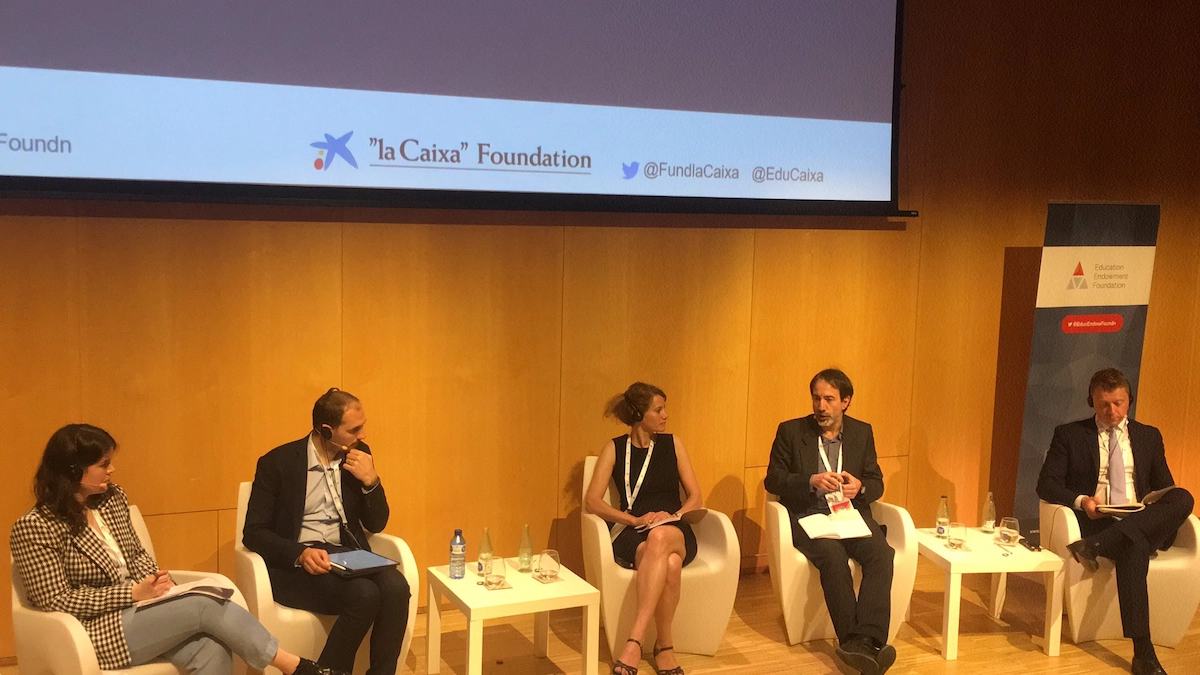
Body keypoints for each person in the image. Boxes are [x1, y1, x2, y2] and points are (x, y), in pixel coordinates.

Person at [10, 423, 342, 675]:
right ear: (73, 472)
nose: (111, 470)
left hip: (143, 611)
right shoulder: (35, 527)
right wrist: (132, 593)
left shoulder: (111, 499)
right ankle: (295, 667)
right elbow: (55, 599)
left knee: (211, 647)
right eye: (103, 464)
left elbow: (136, 554)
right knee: (203, 605)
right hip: (93, 630)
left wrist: (156, 585)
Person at [243, 388, 411, 675]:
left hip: (346, 555)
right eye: (354, 430)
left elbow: (376, 524)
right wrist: (300, 553)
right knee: (364, 594)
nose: (363, 435)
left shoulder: (358, 456)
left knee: (396, 587)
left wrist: (371, 481)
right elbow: (254, 532)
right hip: (297, 565)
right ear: (326, 430)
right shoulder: (278, 463)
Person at [1037, 368, 1194, 675]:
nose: (1112, 411)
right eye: (1103, 404)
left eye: (1118, 403)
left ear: (1129, 400)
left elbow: (1165, 486)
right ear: (1091, 402)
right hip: (1100, 520)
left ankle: (1094, 546)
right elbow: (1046, 485)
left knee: (1183, 497)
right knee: (1133, 546)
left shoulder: (1149, 436)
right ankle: (1143, 653)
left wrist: (1150, 505)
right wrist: (1083, 501)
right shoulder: (1069, 435)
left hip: (1142, 517)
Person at [764, 368, 896, 675]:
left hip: (850, 516)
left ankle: (867, 639)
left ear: (845, 402)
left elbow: (876, 482)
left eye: (828, 399)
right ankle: (853, 641)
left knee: (882, 554)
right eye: (816, 398)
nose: (820, 406)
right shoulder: (791, 431)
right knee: (834, 557)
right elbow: (773, 479)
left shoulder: (862, 432)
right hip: (810, 517)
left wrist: (860, 488)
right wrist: (810, 480)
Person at [585, 382, 703, 675]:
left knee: (661, 536)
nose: (665, 416)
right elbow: (592, 501)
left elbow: (696, 497)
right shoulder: (614, 448)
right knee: (670, 565)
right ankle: (664, 646)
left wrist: (673, 515)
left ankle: (634, 641)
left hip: (672, 528)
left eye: (664, 409)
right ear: (639, 414)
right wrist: (634, 521)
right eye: (658, 410)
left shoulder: (673, 444)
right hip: (633, 530)